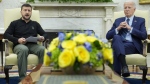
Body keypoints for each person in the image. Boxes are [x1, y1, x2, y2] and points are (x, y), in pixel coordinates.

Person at [4, 4, 47, 80]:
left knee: (42, 49)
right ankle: (23, 78)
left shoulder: (35, 24)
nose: (27, 12)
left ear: (31, 12)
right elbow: (6, 35)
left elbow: (45, 34)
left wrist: (42, 37)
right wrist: (17, 40)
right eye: (25, 10)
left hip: (33, 45)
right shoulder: (14, 23)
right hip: (19, 45)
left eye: (29, 10)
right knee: (24, 49)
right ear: (21, 12)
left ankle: (38, 76)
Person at [106, 0, 147, 77]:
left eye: (129, 7)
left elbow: (144, 35)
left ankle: (116, 76)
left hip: (132, 45)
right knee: (116, 37)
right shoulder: (118, 21)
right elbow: (108, 36)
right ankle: (124, 67)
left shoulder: (140, 20)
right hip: (120, 43)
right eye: (125, 8)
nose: (127, 9)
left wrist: (130, 28)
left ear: (134, 9)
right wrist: (118, 28)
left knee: (115, 50)